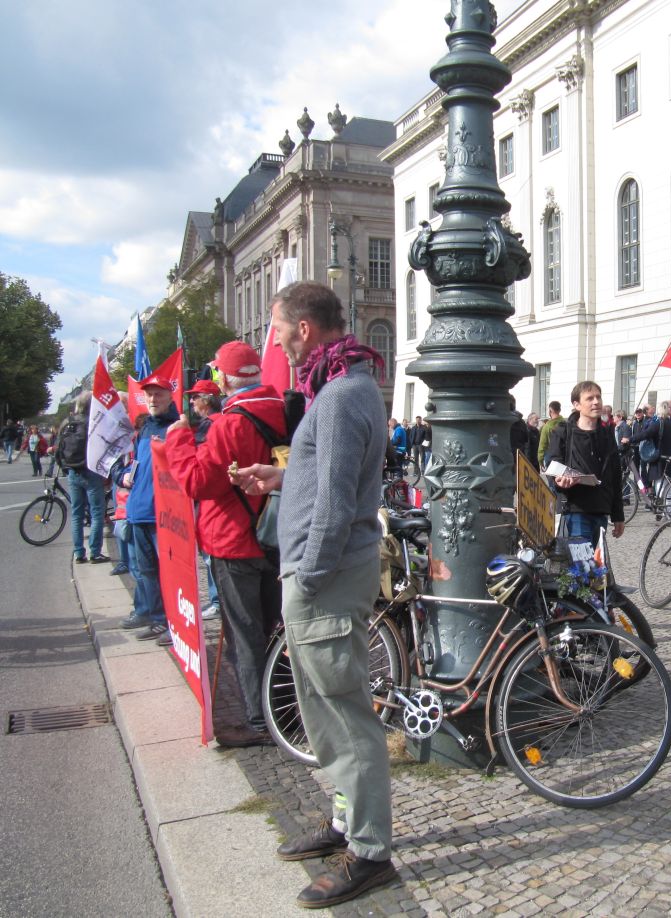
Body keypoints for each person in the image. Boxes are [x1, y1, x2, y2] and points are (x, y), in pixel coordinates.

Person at [233, 281, 397, 908]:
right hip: (320, 572)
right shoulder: (339, 389)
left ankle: (370, 852)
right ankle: (343, 819)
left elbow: (334, 503)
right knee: (322, 710)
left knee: (344, 714)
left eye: (277, 328)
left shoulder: (339, 396)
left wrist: (307, 575)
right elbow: (328, 477)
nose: (272, 339)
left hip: (322, 576)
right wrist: (279, 476)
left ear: (304, 329)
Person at [165, 342, 288, 748]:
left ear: (224, 378)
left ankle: (260, 719)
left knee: (246, 634)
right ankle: (283, 708)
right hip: (275, 535)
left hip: (234, 541)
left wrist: (180, 441)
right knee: (274, 630)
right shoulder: (285, 408)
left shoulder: (229, 422)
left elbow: (200, 482)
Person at [120, 375, 180, 640]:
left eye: (158, 394)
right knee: (146, 572)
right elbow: (134, 465)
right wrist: (121, 475)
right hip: (139, 511)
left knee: (169, 573)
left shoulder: (176, 427)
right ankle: (157, 618)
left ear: (170, 396)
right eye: (149, 395)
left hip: (162, 515)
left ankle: (174, 623)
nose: (153, 399)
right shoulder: (144, 428)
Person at [545, 381, 625, 544]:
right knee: (582, 567)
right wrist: (559, 480)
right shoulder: (563, 432)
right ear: (577, 405)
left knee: (595, 566)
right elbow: (554, 463)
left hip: (601, 510)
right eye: (590, 398)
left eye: (598, 397)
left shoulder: (607, 435)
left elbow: (615, 476)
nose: (596, 402)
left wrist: (618, 515)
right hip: (575, 509)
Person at [187, 378, 224, 621]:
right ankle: (216, 599)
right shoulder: (210, 423)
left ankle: (216, 600)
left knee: (210, 556)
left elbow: (201, 468)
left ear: (206, 401)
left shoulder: (210, 425)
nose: (191, 401)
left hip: (210, 499)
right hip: (211, 500)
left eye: (195, 397)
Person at [59, 393, 110, 564]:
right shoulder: (93, 423)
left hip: (73, 471)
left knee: (76, 514)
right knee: (97, 513)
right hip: (91, 470)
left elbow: (60, 448)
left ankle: (79, 553)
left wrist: (65, 467)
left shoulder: (67, 423)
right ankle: (95, 552)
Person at [537, 400, 564, 467]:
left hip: (551, 456)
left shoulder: (546, 427)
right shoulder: (566, 424)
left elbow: (542, 445)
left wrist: (540, 460)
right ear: (560, 410)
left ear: (550, 410)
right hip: (564, 456)